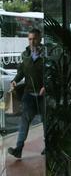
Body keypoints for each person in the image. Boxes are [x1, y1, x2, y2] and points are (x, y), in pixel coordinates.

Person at [8, 28, 45, 159]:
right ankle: (18, 149)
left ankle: (49, 147)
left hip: (43, 96)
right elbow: (21, 72)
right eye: (30, 39)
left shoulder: (46, 54)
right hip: (29, 94)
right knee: (24, 122)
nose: (32, 41)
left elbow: (52, 73)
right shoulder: (25, 55)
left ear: (40, 39)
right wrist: (14, 81)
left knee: (47, 122)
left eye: (34, 38)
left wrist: (46, 86)